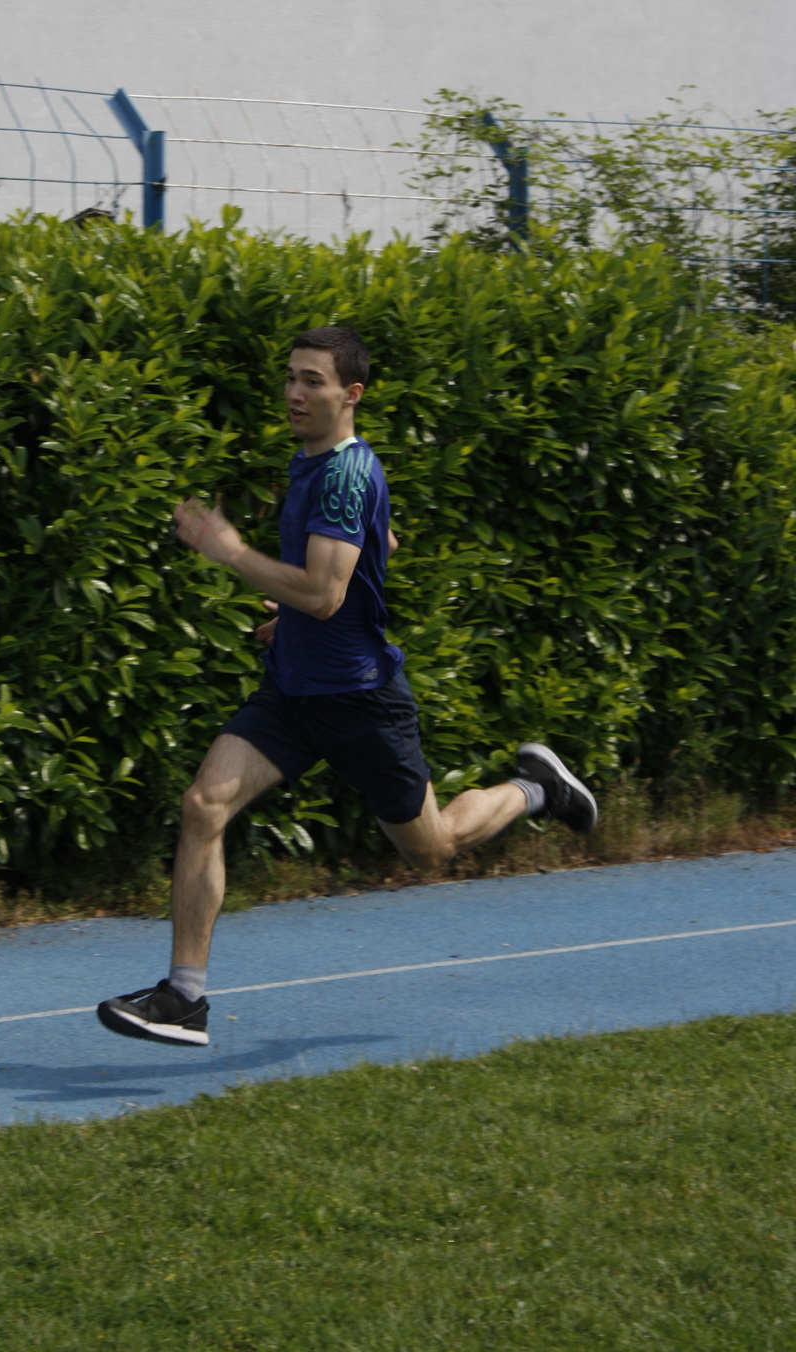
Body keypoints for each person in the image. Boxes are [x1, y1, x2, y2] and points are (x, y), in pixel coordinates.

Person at [96, 324, 597, 1047]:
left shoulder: (344, 474)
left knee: (432, 848)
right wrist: (295, 620)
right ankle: (184, 996)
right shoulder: (317, 464)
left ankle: (537, 789)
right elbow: (377, 545)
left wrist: (230, 552)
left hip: (360, 702)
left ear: (351, 393)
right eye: (291, 377)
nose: (295, 393)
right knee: (204, 803)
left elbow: (326, 593)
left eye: (314, 381)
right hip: (295, 692)